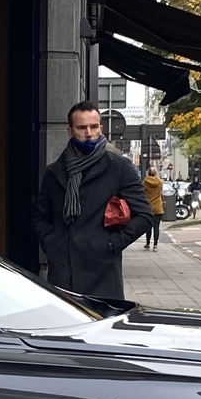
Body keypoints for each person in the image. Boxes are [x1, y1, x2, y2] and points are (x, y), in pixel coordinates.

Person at [35, 102, 149, 301]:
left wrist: (110, 245)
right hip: (63, 276)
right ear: (69, 131)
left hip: (102, 278)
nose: (89, 133)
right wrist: (52, 245)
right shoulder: (54, 172)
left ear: (101, 129)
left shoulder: (118, 167)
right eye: (81, 128)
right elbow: (40, 216)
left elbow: (145, 215)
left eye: (94, 127)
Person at [141, 165, 165, 248]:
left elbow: (142, 194)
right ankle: (155, 245)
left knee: (149, 226)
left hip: (149, 206)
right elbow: (161, 193)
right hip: (158, 206)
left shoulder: (145, 182)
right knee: (156, 226)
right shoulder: (160, 182)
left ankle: (147, 243)